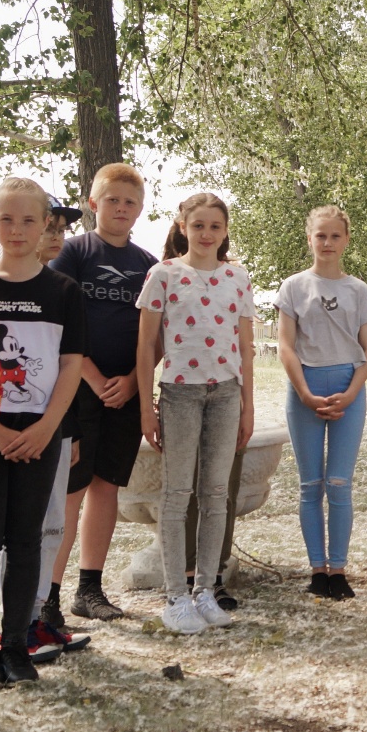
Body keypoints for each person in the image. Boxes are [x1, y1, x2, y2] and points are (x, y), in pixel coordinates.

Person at [0, 178, 86, 687]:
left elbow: (71, 366)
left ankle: (16, 643)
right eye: (6, 219)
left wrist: (47, 429)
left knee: (28, 540)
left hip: (41, 436)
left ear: (45, 226)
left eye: (28, 220)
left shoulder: (64, 291)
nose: (17, 230)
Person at [136, 193, 256, 633]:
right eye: (199, 225)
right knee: (176, 494)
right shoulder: (164, 274)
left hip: (225, 394)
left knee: (215, 494)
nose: (207, 234)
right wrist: (145, 406)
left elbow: (245, 346)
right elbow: (147, 345)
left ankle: (205, 589)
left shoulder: (236, 277)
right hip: (180, 394)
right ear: (183, 226)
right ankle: (174, 597)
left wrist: (247, 404)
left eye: (215, 227)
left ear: (225, 232)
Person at [49, 162, 157, 621]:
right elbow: (58, 323)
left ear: (140, 210)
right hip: (77, 388)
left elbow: (158, 335)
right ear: (94, 204)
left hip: (127, 392)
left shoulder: (148, 266)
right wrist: (91, 378)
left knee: (106, 488)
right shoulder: (74, 253)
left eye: (129, 202)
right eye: (111, 200)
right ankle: (47, 595)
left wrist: (133, 382)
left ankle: (88, 590)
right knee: (69, 493)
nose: (120, 208)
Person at [274, 205, 367, 601]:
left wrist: (351, 393)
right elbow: (286, 345)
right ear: (310, 238)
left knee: (339, 483)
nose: (328, 242)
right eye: (321, 235)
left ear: (347, 239)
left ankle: (339, 569)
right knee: (310, 484)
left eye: (336, 235)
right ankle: (317, 570)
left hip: (348, 390)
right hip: (305, 391)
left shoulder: (358, 290)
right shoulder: (293, 287)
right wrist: (303, 391)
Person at [27, 196, 91, 653]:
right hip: (5, 430)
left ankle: (40, 615)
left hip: (57, 426)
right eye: (46, 225)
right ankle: (8, 626)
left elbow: (67, 368)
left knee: (52, 525)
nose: (54, 235)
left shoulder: (64, 289)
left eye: (60, 228)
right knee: (13, 532)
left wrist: (69, 429)